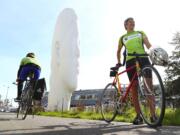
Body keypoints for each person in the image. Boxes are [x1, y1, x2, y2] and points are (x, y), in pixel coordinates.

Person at [116, 17, 153, 125]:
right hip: (130, 60)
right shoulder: (122, 37)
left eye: (133, 22)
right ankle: (138, 116)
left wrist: (153, 51)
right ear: (125, 25)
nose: (132, 23)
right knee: (134, 88)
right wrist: (118, 62)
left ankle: (153, 116)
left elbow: (148, 44)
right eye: (130, 22)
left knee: (149, 87)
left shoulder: (140, 33)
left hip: (143, 58)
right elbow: (118, 51)